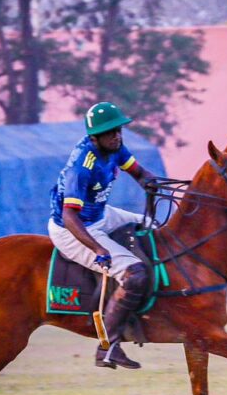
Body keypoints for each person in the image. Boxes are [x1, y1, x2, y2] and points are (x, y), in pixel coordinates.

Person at [48, 102, 158, 370]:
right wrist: (98, 249)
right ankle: (107, 348)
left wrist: (153, 184)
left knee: (156, 229)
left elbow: (141, 174)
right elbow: (71, 217)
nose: (117, 136)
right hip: (72, 229)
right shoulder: (81, 166)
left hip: (101, 214)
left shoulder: (116, 147)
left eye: (118, 130)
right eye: (110, 133)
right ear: (93, 137)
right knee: (135, 273)